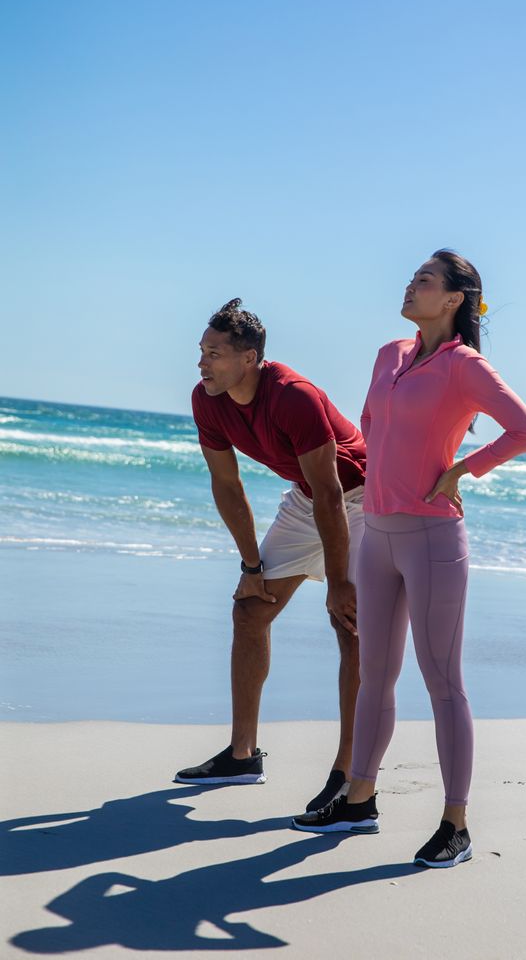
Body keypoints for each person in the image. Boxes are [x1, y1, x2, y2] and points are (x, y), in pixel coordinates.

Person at [292, 251, 526, 866]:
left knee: (442, 682)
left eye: (424, 280)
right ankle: (359, 799)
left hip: (432, 540)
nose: (411, 284)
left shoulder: (466, 367)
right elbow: (371, 426)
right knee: (374, 674)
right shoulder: (390, 355)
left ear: (454, 299)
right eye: (412, 277)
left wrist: (463, 468)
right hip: (375, 535)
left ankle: (455, 824)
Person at [174, 299, 366, 812]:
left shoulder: (293, 397)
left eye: (213, 353)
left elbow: (333, 494)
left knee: (350, 630)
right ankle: (242, 756)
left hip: (365, 500)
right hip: (309, 501)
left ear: (250, 358)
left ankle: (349, 772)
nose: (201, 363)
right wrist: (251, 567)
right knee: (250, 610)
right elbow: (227, 484)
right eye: (201, 351)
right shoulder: (207, 399)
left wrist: (340, 580)